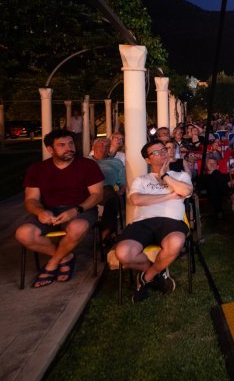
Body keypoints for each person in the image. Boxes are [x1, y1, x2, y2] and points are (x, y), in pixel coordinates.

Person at [16, 129, 104, 288]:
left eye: (71, 143)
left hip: (80, 210)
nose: (69, 148)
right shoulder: (37, 170)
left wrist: (76, 210)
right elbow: (30, 200)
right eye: (62, 145)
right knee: (23, 234)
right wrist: (40, 212)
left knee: (77, 227)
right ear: (50, 149)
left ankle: (52, 264)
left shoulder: (87, 165)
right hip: (48, 210)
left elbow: (97, 195)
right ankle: (66, 257)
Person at [115, 140, 194, 303]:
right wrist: (169, 196)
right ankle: (158, 272)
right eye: (156, 152)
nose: (163, 152)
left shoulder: (181, 176)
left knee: (176, 242)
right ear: (147, 160)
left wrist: (165, 175)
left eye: (164, 149)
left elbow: (186, 191)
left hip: (172, 222)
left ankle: (146, 277)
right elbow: (137, 200)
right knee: (123, 254)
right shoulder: (141, 180)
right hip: (142, 223)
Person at [90, 137, 127, 246]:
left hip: (105, 190)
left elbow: (123, 182)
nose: (104, 147)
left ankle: (103, 234)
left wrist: (120, 192)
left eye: (107, 146)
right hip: (86, 190)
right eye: (101, 144)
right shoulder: (85, 161)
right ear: (93, 147)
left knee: (113, 197)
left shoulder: (116, 162)